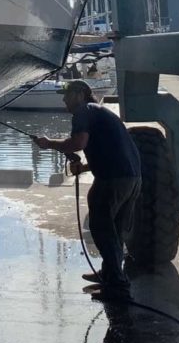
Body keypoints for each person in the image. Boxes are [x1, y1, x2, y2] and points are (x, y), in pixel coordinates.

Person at [33, 80, 141, 302]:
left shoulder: (83, 111)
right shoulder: (99, 112)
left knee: (101, 227)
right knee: (116, 229)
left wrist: (49, 143)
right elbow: (110, 149)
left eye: (67, 95)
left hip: (113, 179)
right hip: (132, 177)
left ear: (81, 94)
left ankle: (117, 287)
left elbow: (79, 142)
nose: (64, 100)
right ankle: (111, 274)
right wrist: (82, 167)